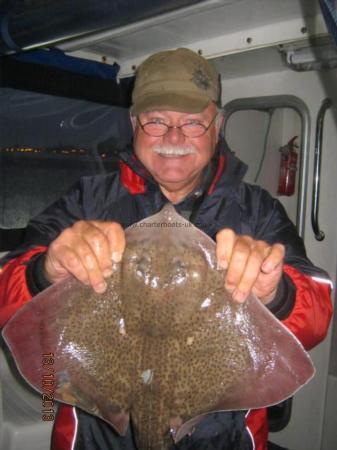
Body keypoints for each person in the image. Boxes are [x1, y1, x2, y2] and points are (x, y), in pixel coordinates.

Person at [0, 48, 332, 450]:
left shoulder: (257, 211)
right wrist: (44, 274)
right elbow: (12, 304)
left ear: (217, 125)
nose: (173, 137)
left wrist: (276, 294)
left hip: (225, 437)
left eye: (192, 122)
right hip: (95, 437)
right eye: (156, 121)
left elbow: (317, 312)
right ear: (133, 123)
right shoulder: (86, 202)